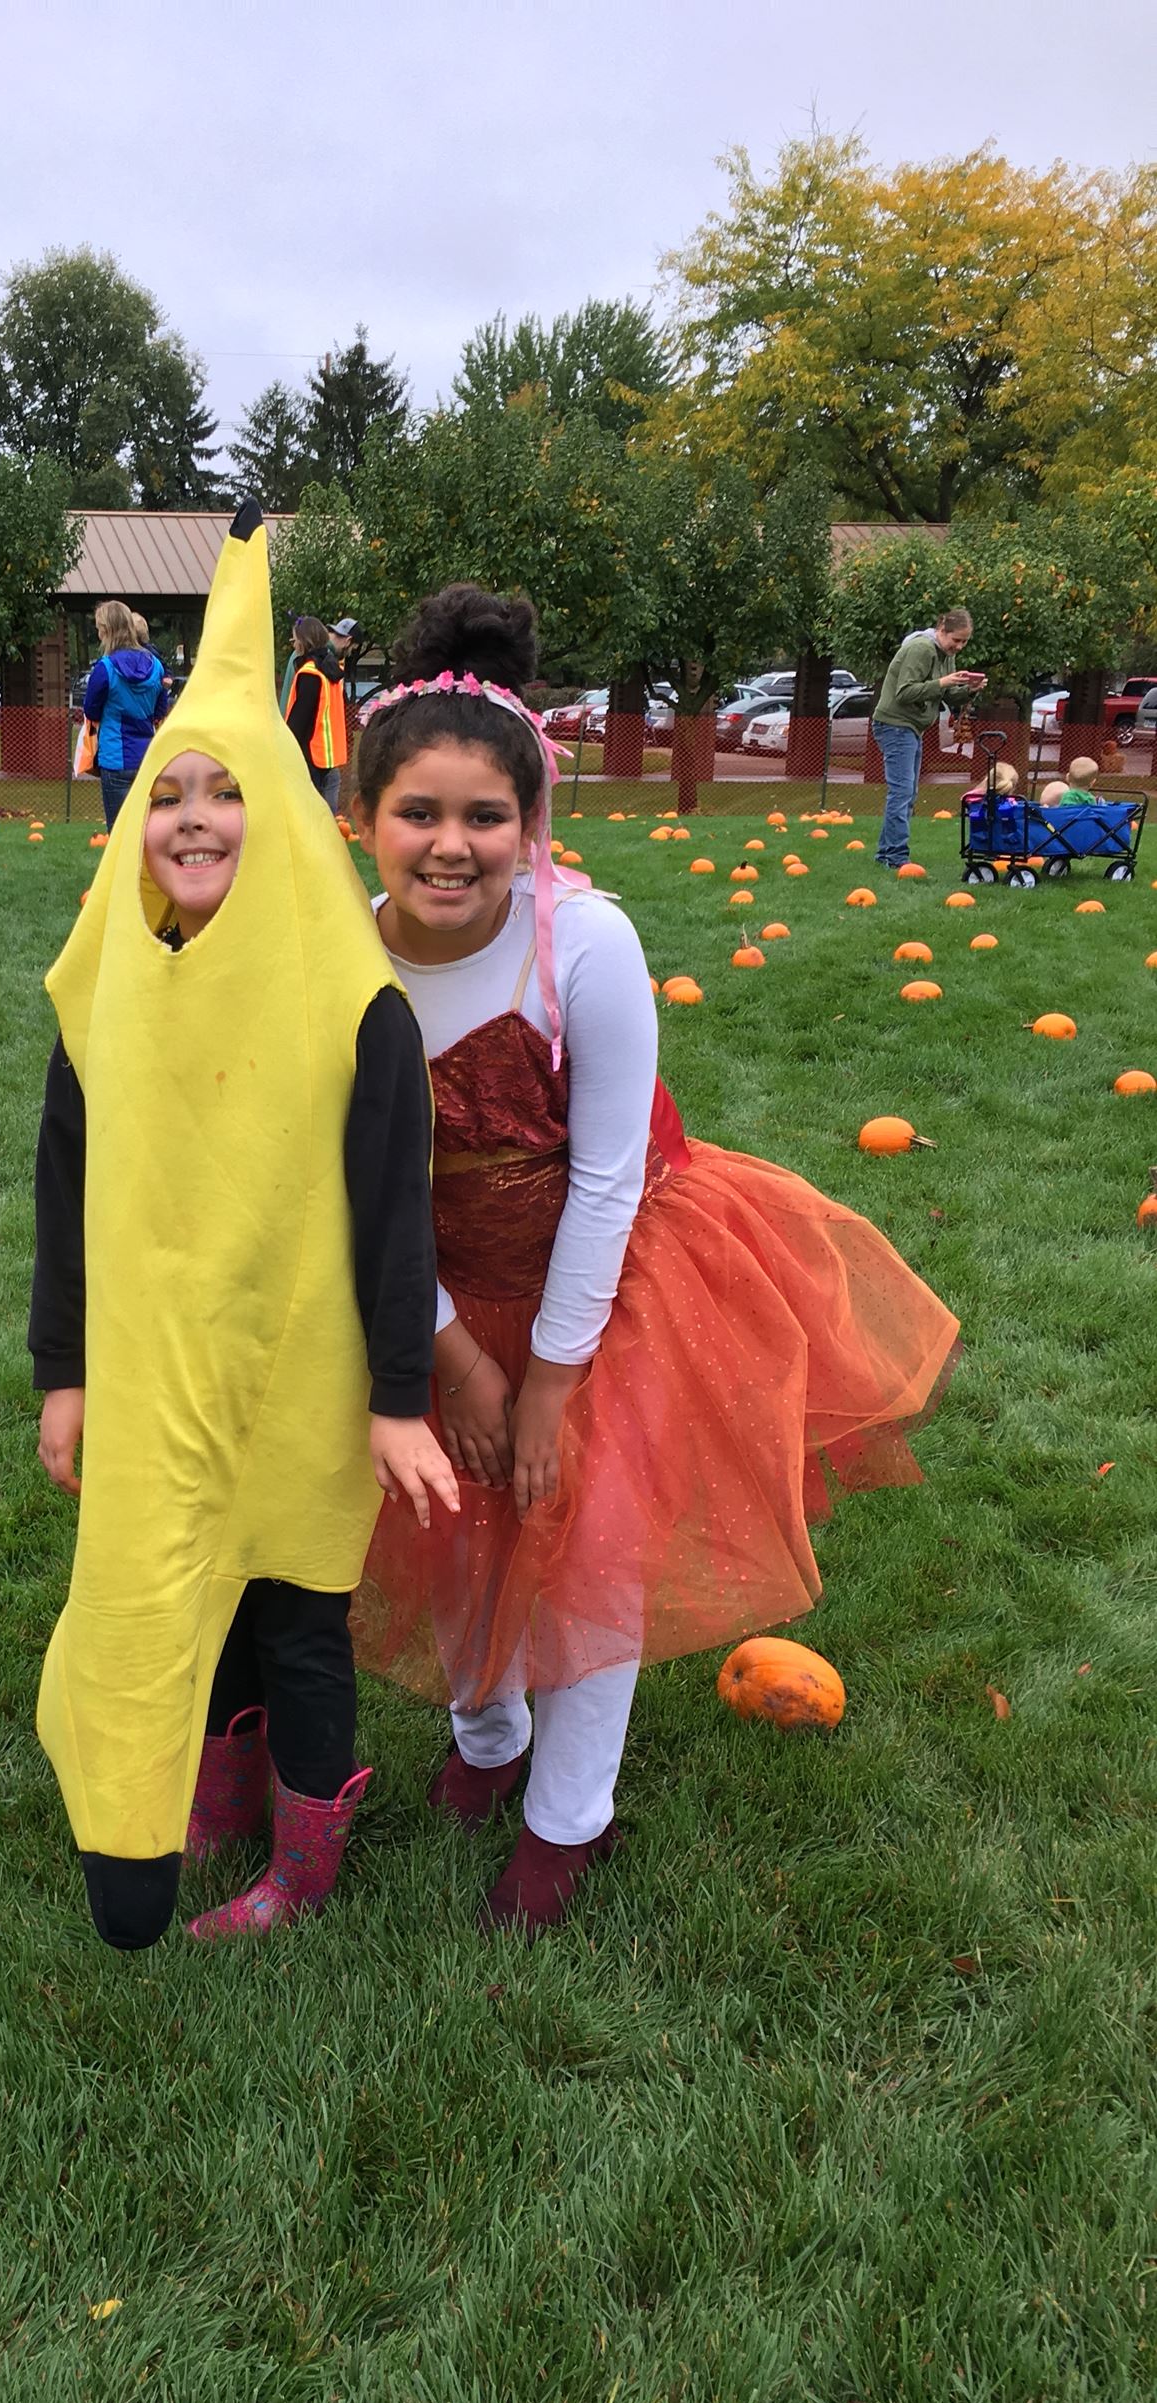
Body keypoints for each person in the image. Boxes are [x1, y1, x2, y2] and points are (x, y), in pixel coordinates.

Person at [350, 583, 961, 1935]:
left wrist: (550, 1389)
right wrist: (449, 1355)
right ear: (364, 819)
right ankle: (487, 1731)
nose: (451, 847)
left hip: (606, 1282)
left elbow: (610, 1182)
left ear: (533, 819)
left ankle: (569, 1816)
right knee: (450, 1525)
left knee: (584, 1539)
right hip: (428, 1288)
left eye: (484, 818)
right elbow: (359, 1190)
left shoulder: (588, 946)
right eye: (418, 815)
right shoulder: (341, 964)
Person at [30, 502, 456, 1953]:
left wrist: (399, 1400)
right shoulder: (104, 988)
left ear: (275, 815)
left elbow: (398, 1216)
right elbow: (65, 1194)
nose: (194, 816)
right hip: (156, 1363)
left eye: (225, 791)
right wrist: (64, 1371)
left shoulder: (355, 1006)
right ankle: (181, 1800)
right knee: (171, 1584)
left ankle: (305, 1852)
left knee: (291, 1609)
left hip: (302, 1367)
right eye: (166, 791)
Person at [871, 609, 985, 870]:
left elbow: (947, 696)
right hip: (895, 724)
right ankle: (897, 857)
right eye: (956, 640)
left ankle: (885, 854)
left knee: (908, 793)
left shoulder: (945, 655)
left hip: (912, 727)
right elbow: (904, 692)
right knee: (901, 792)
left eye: (964, 642)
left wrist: (969, 691)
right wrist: (943, 682)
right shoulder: (921, 648)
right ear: (941, 629)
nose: (959, 646)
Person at [80, 600, 169, 829]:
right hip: (147, 758)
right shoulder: (156, 666)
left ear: (108, 631)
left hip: (115, 759)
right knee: (146, 832)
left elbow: (91, 710)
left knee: (119, 835)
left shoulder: (105, 668)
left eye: (100, 628)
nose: (98, 634)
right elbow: (159, 711)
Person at [283, 613, 348, 811]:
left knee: (308, 815)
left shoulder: (309, 673)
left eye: (295, 639)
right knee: (327, 815)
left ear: (303, 642)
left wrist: (283, 744)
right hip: (329, 754)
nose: (294, 645)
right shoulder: (330, 669)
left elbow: (299, 720)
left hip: (309, 754)